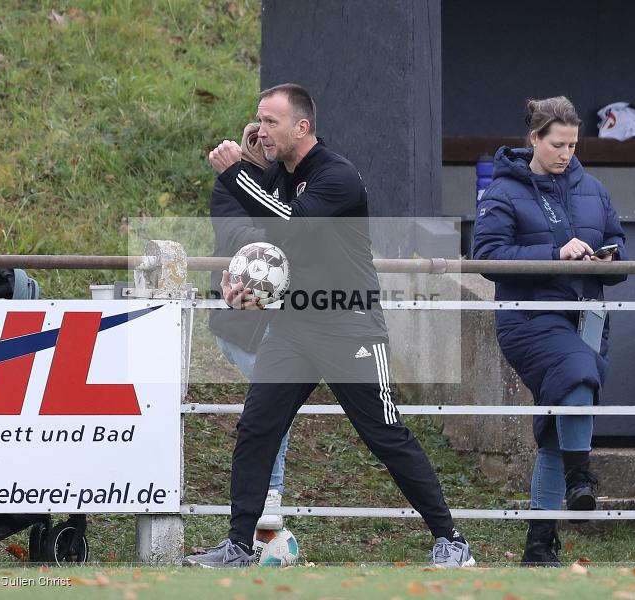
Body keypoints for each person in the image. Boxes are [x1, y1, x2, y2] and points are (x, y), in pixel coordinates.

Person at [183, 83, 475, 568]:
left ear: (302, 127)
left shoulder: (338, 176)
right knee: (257, 427)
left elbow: (292, 224)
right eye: (259, 120)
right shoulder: (274, 176)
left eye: (272, 122)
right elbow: (266, 242)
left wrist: (237, 173)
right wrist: (244, 282)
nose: (260, 130)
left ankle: (451, 540)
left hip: (351, 326)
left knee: (385, 434)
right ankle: (238, 545)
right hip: (294, 327)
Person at [472, 96, 627, 567]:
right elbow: (486, 258)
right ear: (534, 139)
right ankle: (582, 478)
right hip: (529, 319)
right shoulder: (502, 192)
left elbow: (619, 246)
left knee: (560, 425)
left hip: (587, 318)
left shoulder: (594, 189)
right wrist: (556, 254)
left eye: (573, 145)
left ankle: (539, 549)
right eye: (558, 145)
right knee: (577, 378)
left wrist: (610, 259)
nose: (566, 154)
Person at [208, 122, 289, 529]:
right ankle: (268, 493)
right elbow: (241, 238)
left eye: (271, 132)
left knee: (274, 394)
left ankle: (265, 503)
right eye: (256, 135)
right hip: (241, 322)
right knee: (273, 392)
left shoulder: (300, 179)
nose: (263, 143)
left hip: (297, 318)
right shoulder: (230, 184)